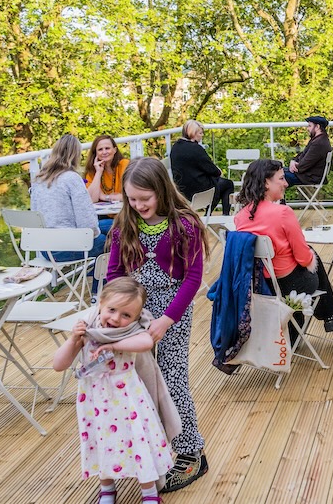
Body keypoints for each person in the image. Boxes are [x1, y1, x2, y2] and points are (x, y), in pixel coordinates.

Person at [106, 157, 209, 493]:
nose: (138, 206)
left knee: (174, 379)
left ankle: (192, 450)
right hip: (133, 315)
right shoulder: (125, 224)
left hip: (172, 313)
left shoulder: (185, 224)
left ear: (161, 191)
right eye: (132, 200)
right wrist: (116, 314)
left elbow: (193, 278)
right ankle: (155, 447)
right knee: (140, 383)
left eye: (145, 199)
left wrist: (167, 319)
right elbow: (113, 275)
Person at [53, 277, 179, 504]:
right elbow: (58, 364)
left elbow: (145, 343)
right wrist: (74, 339)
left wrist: (113, 345)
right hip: (96, 400)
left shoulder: (132, 331)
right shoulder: (89, 328)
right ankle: (107, 489)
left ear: (135, 317)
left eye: (126, 315)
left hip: (128, 400)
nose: (116, 318)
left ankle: (149, 492)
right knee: (102, 440)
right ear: (101, 303)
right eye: (111, 309)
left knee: (138, 440)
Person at [234, 159, 333, 336]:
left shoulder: (240, 216)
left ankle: (311, 325)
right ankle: (329, 314)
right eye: (281, 179)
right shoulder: (282, 213)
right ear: (266, 182)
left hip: (259, 286)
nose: (286, 183)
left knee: (306, 257)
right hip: (290, 285)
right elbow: (304, 258)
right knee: (312, 255)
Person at [30, 134, 107, 267]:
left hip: (44, 247)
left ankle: (94, 279)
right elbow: (88, 225)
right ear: (75, 155)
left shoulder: (38, 179)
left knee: (110, 225)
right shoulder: (71, 178)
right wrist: (98, 235)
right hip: (66, 246)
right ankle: (99, 287)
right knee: (112, 240)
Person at [170, 120, 233, 214]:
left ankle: (208, 214)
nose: (202, 135)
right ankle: (223, 216)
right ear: (192, 134)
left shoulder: (175, 147)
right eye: (200, 133)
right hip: (198, 190)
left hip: (181, 189)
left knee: (218, 183)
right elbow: (211, 169)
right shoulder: (196, 149)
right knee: (227, 184)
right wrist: (218, 171)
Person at [85, 134, 129, 234]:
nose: (104, 152)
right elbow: (92, 199)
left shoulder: (124, 165)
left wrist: (108, 197)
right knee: (96, 227)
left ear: (115, 150)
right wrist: (98, 172)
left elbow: (134, 194)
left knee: (96, 228)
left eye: (107, 148)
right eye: (100, 149)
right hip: (104, 215)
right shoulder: (92, 172)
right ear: (95, 153)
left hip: (125, 214)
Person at [284, 115, 332, 186]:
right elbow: (302, 154)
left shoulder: (319, 143)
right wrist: (293, 161)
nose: (307, 128)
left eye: (309, 126)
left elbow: (303, 166)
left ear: (317, 127)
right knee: (275, 172)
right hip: (307, 175)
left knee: (275, 176)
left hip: (309, 177)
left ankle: (274, 197)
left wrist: (294, 166)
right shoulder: (318, 139)